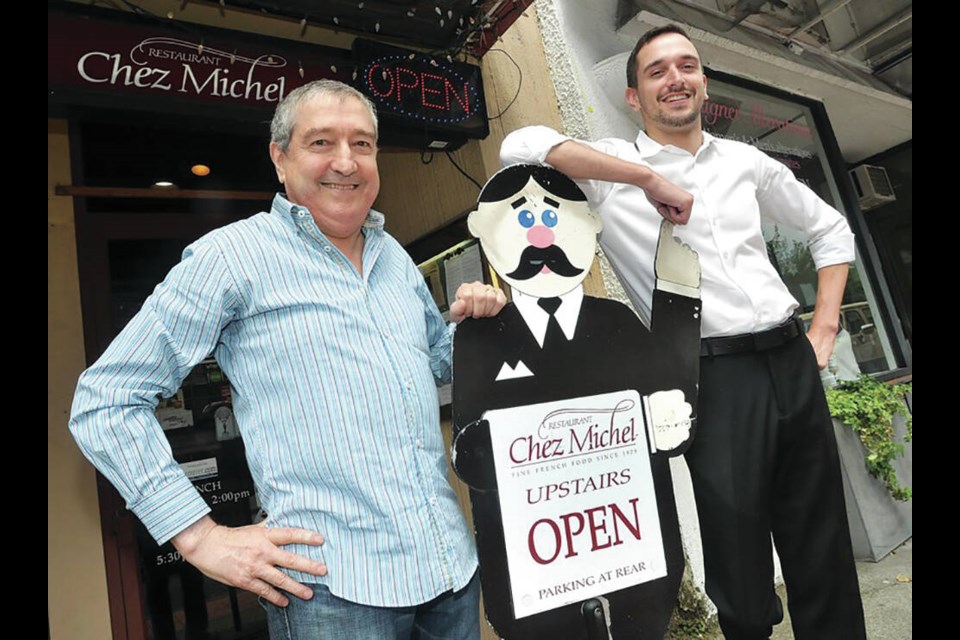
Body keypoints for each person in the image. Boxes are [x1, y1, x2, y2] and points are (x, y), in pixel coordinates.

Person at [69, 79, 506, 640]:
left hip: (448, 569)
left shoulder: (394, 257)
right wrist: (198, 536)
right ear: (280, 159)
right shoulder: (231, 258)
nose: (345, 162)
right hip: (331, 590)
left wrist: (474, 329)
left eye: (363, 144)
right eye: (321, 142)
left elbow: (441, 365)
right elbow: (105, 399)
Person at [499, 24, 866, 640]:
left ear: (704, 82)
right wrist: (646, 180)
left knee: (822, 542)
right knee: (739, 561)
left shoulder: (746, 162)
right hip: (709, 378)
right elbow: (521, 146)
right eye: (657, 71)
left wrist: (824, 325)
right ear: (633, 97)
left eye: (687, 66)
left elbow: (831, 231)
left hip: (790, 359)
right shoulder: (614, 176)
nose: (677, 78)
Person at [450, 163, 702, 639]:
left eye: (555, 217)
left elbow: (672, 429)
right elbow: (470, 461)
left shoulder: (619, 324)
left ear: (589, 226)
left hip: (637, 565)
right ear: (486, 232)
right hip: (534, 585)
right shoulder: (480, 338)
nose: (542, 234)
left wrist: (678, 297)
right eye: (523, 219)